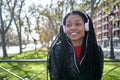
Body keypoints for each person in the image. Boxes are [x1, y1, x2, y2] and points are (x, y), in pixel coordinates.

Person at [47, 10, 104, 80]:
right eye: (68, 25)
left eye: (78, 24)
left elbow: (98, 76)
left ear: (86, 27)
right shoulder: (56, 50)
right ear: (64, 29)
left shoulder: (97, 50)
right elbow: (55, 77)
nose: (73, 28)